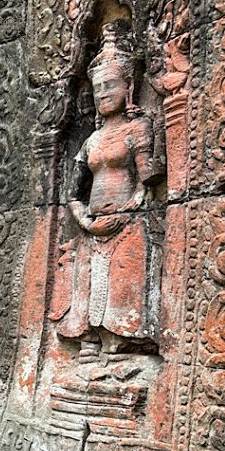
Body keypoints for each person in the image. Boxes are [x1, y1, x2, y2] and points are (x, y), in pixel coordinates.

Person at [51, 21, 160, 358]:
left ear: (129, 86)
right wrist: (85, 220)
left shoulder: (138, 128)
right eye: (98, 88)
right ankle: (90, 337)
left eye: (110, 85)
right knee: (85, 278)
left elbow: (148, 182)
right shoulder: (91, 141)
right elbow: (73, 194)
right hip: (93, 224)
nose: (102, 94)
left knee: (122, 280)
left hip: (127, 223)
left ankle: (120, 339)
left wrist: (129, 210)